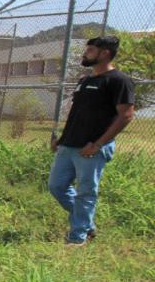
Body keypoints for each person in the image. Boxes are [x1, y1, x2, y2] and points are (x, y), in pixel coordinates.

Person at [48, 36, 134, 246]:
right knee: (56, 187)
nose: (85, 53)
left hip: (92, 148)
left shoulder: (119, 80)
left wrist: (98, 144)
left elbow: (126, 115)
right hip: (69, 145)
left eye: (91, 50)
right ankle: (86, 223)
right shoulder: (85, 81)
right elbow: (77, 114)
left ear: (105, 53)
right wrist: (61, 139)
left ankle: (77, 238)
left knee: (86, 192)